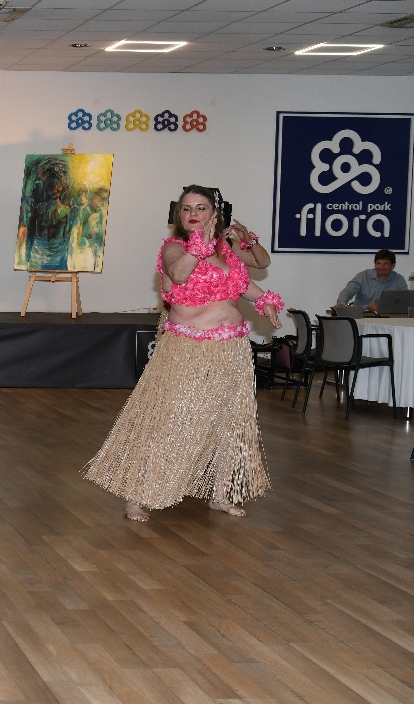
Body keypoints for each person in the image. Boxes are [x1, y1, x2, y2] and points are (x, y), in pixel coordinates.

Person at [83, 185, 284, 523]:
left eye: (201, 208)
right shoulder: (174, 249)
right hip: (187, 349)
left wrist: (265, 301)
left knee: (228, 423)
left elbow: (243, 284)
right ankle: (138, 496)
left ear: (214, 214)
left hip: (231, 349)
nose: (193, 214)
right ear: (179, 214)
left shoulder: (227, 251)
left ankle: (220, 493)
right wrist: (200, 246)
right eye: (186, 208)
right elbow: (178, 274)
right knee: (168, 420)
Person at [336, 249, 406, 312]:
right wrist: (341, 305)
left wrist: (383, 306)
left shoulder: (399, 280)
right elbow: (347, 292)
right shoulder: (363, 276)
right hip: (360, 316)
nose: (381, 267)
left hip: (387, 318)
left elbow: (404, 301)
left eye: (385, 264)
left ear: (393, 266)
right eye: (378, 263)